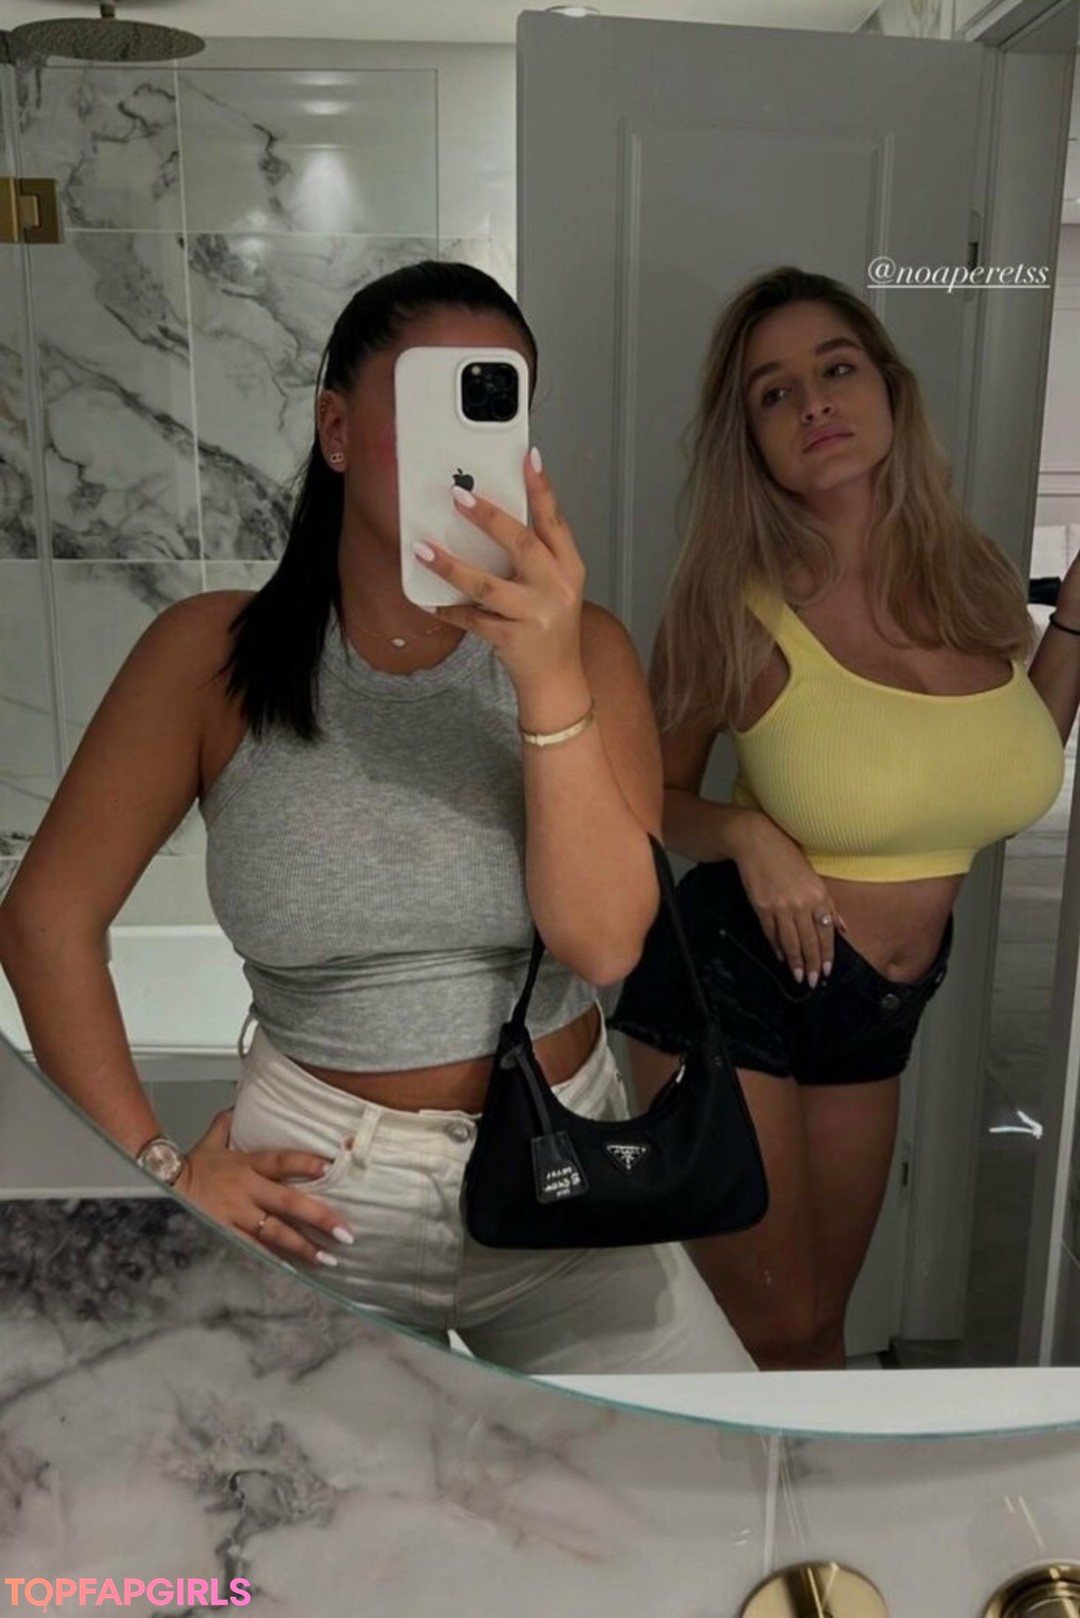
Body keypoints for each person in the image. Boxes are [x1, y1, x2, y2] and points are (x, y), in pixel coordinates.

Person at [0, 260, 753, 1375]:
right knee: (266, 1491)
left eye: (493, 403)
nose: (465, 447)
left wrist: (547, 679)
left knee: (703, 1467)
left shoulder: (585, 648)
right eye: (427, 400)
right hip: (311, 1200)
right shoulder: (209, 657)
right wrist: (156, 1172)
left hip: (569, 1173)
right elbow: (45, 919)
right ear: (337, 430)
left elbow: (602, 943)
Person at [611, 265, 1080, 1371]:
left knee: (825, 1321)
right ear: (751, 439)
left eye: (836, 368)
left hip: (879, 1006)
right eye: (774, 392)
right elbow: (644, 799)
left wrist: (1074, 623)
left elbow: (1014, 753)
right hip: (737, 979)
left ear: (889, 389)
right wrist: (747, 836)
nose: (814, 402)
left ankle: (799, 1491)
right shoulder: (731, 606)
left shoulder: (972, 580)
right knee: (776, 1328)